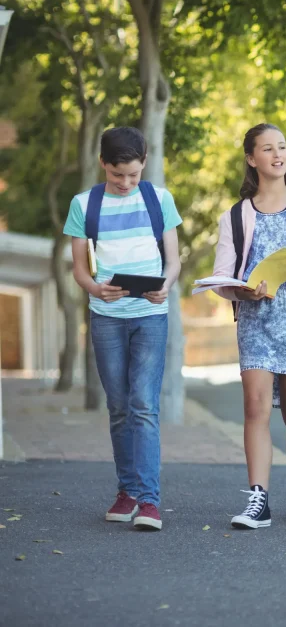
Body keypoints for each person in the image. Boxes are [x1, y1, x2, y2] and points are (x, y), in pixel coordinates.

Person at [211, 123, 286, 529]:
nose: (277, 154)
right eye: (267, 148)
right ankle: (258, 499)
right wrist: (242, 293)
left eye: (282, 146)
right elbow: (222, 277)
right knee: (255, 409)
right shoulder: (235, 216)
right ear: (251, 159)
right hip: (255, 320)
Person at [64, 126, 182, 531]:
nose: (126, 183)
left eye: (133, 174)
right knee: (118, 407)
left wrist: (165, 286)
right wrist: (96, 288)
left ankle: (149, 501)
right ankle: (126, 491)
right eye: (118, 176)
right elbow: (80, 268)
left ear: (143, 164)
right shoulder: (84, 204)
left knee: (144, 405)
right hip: (106, 318)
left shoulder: (159, 199)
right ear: (103, 164)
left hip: (150, 316)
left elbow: (173, 260)